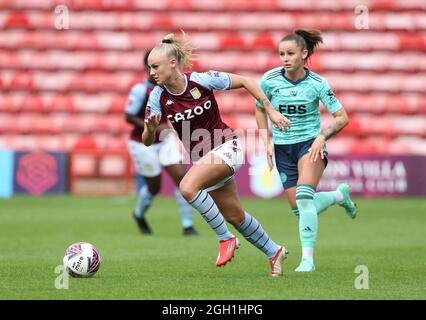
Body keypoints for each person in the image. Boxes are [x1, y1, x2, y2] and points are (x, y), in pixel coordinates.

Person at [143, 31, 292, 276]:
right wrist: (149, 130)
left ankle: (225, 239)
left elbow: (245, 81)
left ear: (172, 63)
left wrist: (271, 111)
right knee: (235, 216)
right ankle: (273, 250)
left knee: (188, 186)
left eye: (155, 66)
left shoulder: (202, 80)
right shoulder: (158, 96)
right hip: (205, 159)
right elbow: (147, 141)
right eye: (150, 67)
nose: (151, 73)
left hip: (226, 146)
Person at [255, 29, 358, 272]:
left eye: (290, 53)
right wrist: (266, 140)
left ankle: (307, 261)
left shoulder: (318, 84)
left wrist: (322, 137)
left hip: (309, 146)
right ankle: (338, 196)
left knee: (303, 198)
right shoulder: (269, 80)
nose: (285, 58)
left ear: (304, 53)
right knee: (299, 208)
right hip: (282, 148)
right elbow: (260, 108)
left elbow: (342, 117)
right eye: (281, 54)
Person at [125, 49, 198, 236]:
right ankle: (138, 214)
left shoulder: (170, 87)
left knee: (182, 179)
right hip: (142, 144)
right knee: (154, 187)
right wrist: (151, 127)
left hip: (165, 141)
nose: (154, 70)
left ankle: (188, 226)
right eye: (152, 66)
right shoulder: (140, 90)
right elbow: (129, 116)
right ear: (146, 67)